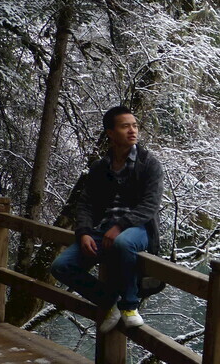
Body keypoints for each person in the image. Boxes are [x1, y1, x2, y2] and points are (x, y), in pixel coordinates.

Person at [51, 105, 163, 333]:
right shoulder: (101, 168)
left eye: (134, 125)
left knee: (123, 243)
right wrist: (83, 232)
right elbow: (86, 204)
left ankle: (130, 306)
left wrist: (120, 226)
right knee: (61, 266)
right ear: (111, 133)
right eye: (125, 126)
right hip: (101, 230)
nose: (132, 131)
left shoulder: (149, 164)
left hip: (138, 229)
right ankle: (109, 300)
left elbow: (150, 205)